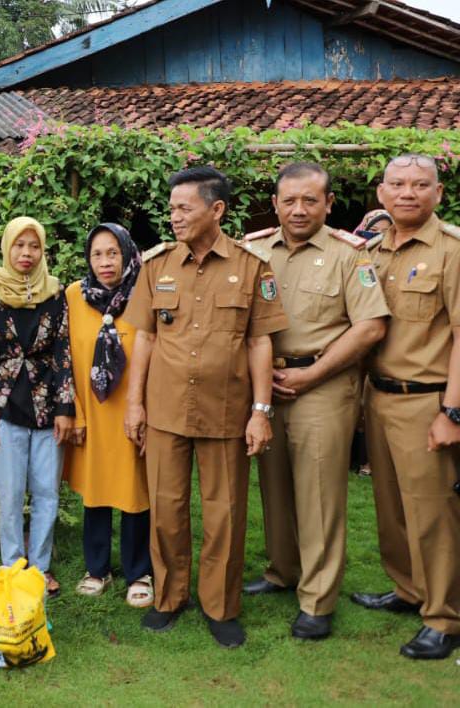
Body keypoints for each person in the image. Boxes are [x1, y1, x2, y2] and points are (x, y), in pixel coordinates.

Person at [122, 165, 287, 648]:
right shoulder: (156, 265)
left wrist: (261, 411)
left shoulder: (252, 267)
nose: (174, 217)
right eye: (171, 208)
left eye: (183, 208)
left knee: (225, 512)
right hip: (166, 410)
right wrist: (135, 405)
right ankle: (169, 598)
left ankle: (221, 606)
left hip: (226, 410)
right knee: (167, 509)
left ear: (216, 210)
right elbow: (145, 339)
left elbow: (261, 343)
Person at [240, 162, 389, 641]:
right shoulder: (256, 249)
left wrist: (311, 376)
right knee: (275, 483)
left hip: (323, 384)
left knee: (319, 493)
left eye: (310, 200)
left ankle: (318, 600)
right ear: (276, 202)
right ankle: (283, 570)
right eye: (289, 200)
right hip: (268, 384)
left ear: (328, 204)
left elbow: (370, 326)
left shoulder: (350, 255)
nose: (299, 209)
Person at [353, 154, 460, 660]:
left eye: (421, 185)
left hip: (427, 401)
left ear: (438, 194)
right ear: (381, 193)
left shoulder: (452, 250)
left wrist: (452, 412)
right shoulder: (376, 251)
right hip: (379, 397)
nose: (408, 193)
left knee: (433, 513)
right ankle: (408, 589)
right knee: (391, 507)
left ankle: (444, 617)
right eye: (397, 184)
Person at [0, 217, 74, 596]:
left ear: (42, 250)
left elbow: (64, 350)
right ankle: (13, 565)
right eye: (19, 245)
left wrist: (66, 407)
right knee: (11, 493)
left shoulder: (54, 292)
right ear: (7, 247)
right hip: (4, 405)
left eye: (34, 246)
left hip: (48, 405)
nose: (26, 253)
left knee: (47, 490)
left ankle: (41, 568)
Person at [63, 223, 153, 607]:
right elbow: (64, 358)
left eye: (113, 253)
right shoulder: (73, 296)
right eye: (97, 254)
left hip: (133, 410)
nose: (104, 262)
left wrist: (146, 408)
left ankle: (139, 571)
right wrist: (77, 413)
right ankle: (96, 568)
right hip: (93, 413)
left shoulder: (144, 293)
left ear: (128, 253)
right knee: (96, 489)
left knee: (136, 491)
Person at [350, 208, 395, 476]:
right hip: (359, 338)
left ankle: (370, 461)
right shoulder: (357, 253)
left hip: (386, 341)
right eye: (375, 230)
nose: (381, 236)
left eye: (385, 231)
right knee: (355, 402)